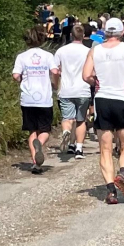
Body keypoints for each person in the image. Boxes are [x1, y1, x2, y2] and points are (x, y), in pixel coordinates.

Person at [82, 18, 124, 205]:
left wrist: (96, 82)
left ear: (105, 32)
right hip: (123, 98)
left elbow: (86, 75)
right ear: (123, 32)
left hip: (102, 100)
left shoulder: (95, 50)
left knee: (105, 148)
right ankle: (122, 173)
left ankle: (110, 191)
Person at [13, 28, 59, 174]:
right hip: (44, 98)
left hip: (27, 98)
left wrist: (21, 80)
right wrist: (55, 84)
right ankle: (40, 143)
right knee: (45, 130)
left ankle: (36, 164)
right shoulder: (48, 55)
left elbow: (15, 75)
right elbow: (55, 71)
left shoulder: (21, 57)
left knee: (32, 130)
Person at [54, 24, 91, 159]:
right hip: (83, 89)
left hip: (66, 89)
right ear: (83, 36)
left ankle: (66, 132)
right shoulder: (88, 51)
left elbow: (56, 70)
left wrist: (55, 82)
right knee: (81, 120)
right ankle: (79, 149)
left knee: (67, 118)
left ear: (71, 35)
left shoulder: (61, 51)